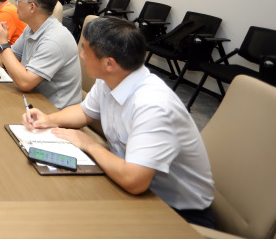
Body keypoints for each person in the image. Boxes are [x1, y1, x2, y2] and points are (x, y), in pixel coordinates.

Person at [23, 17, 216, 228]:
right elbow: (84, 112)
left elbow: (134, 181)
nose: (81, 55)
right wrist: (48, 119)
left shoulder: (153, 106)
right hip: (131, 189)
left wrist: (88, 144)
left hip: (177, 214)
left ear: (109, 63)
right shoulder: (111, 79)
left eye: (85, 50)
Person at [0, 0, 81, 109]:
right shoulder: (31, 28)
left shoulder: (54, 39)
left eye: (18, 0)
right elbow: (6, 62)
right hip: (34, 98)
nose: (15, 4)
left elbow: (25, 83)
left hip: (54, 111)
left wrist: (2, 43)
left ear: (32, 7)